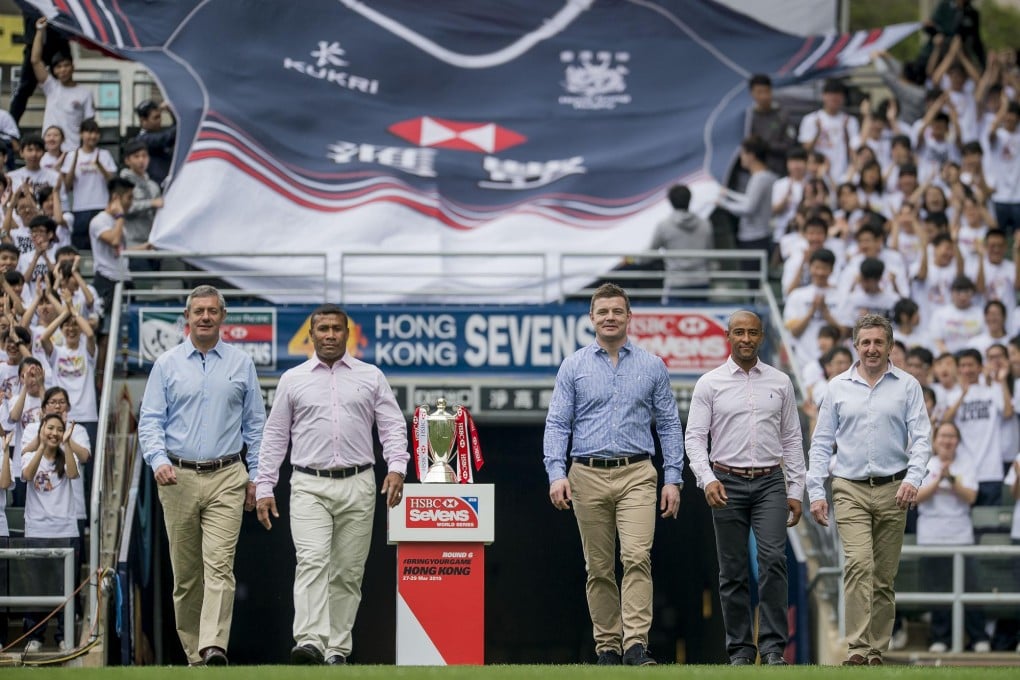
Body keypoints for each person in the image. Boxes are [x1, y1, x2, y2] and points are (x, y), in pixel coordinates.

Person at [255, 304, 408, 665]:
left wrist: (397, 467)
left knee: (348, 571)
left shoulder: (371, 376)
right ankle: (309, 640)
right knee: (311, 561)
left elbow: (391, 426)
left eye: (336, 329)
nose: (329, 335)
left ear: (346, 333)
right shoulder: (293, 379)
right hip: (309, 483)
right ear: (311, 335)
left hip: (359, 482)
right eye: (322, 329)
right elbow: (275, 435)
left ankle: (337, 648)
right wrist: (264, 485)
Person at [543, 282, 683, 666]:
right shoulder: (573, 366)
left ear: (628, 317)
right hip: (586, 474)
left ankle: (636, 644)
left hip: (637, 472)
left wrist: (673, 478)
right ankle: (607, 646)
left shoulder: (652, 366)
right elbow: (557, 423)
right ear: (592, 318)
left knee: (637, 556)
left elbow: (669, 425)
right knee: (599, 567)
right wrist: (556, 473)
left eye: (616, 311)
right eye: (602, 312)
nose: (609, 317)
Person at [138, 285, 266, 666]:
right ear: (188, 317)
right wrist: (157, 459)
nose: (206, 317)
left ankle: (213, 646)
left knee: (220, 566)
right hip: (176, 476)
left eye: (212, 311)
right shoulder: (167, 364)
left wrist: (257, 476)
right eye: (199, 311)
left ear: (222, 317)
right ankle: (196, 655)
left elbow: (256, 425)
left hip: (228, 475)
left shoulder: (242, 363)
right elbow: (150, 420)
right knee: (186, 576)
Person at [807, 314, 931, 666]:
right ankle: (858, 648)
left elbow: (922, 438)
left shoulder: (908, 386)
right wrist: (816, 491)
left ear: (890, 346)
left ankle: (877, 650)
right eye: (866, 342)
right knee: (859, 564)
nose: (872, 349)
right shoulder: (836, 388)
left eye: (879, 342)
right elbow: (821, 444)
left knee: (884, 576)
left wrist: (913, 478)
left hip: (895, 488)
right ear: (856, 346)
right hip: (849, 487)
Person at [684, 310, 805, 666]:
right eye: (739, 332)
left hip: (770, 482)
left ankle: (771, 648)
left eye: (752, 333)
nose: (746, 339)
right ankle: (739, 650)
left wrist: (796, 489)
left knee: (772, 562)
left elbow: (793, 439)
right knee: (732, 570)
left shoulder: (781, 382)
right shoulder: (709, 383)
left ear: (762, 336)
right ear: (728, 335)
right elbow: (694, 439)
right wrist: (706, 480)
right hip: (726, 482)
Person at [915, 421, 988, 653]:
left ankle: (978, 638)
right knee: (938, 590)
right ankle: (941, 638)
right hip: (932, 536)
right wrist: (938, 480)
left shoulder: (967, 464)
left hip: (961, 536)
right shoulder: (925, 464)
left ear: (958, 440)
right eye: (943, 436)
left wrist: (953, 480)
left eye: (952, 436)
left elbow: (971, 496)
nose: (947, 441)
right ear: (935, 441)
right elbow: (916, 497)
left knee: (971, 589)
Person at [29, 17, 94, 152]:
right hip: (50, 151)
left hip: (74, 151)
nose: (63, 70)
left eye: (66, 65)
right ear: (54, 71)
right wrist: (40, 31)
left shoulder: (85, 93)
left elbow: (89, 126)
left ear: (72, 67)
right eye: (58, 67)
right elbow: (35, 60)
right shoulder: (51, 87)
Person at [645, 184, 712, 301]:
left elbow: (648, 255)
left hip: (676, 283)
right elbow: (711, 252)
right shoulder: (705, 224)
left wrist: (630, 259)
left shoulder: (664, 225)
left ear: (670, 201)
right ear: (690, 199)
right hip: (701, 282)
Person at [133, 99, 177, 187]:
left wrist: (171, 111)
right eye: (155, 118)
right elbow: (167, 137)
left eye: (160, 116)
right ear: (143, 121)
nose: (159, 121)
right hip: (156, 187)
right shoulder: (142, 139)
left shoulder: (159, 133)